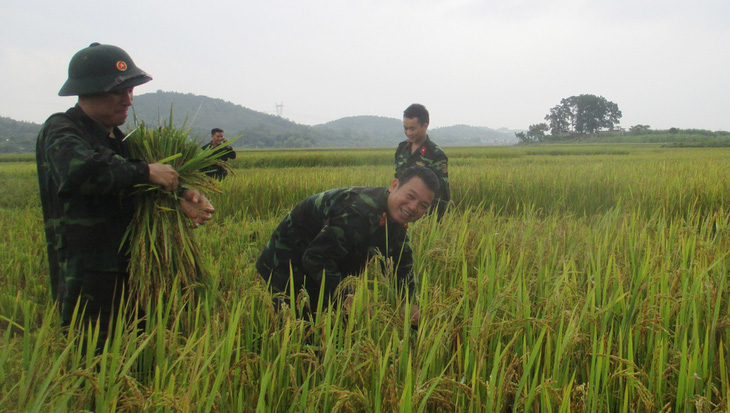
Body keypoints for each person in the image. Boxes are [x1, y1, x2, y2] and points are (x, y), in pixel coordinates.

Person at [36, 43, 214, 342]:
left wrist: (178, 195)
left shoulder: (123, 142)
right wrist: (145, 171)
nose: (128, 99)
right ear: (89, 90)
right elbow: (79, 170)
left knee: (138, 353)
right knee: (94, 359)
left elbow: (138, 182)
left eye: (130, 90)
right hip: (88, 278)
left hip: (134, 270)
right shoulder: (63, 129)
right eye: (118, 90)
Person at [256, 166, 439, 323]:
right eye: (410, 196)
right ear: (394, 186)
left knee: (337, 317)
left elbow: (399, 259)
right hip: (285, 259)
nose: (414, 207)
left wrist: (408, 302)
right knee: (302, 324)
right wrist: (351, 299)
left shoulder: (395, 215)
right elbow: (316, 258)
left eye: (423, 205)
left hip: (325, 254)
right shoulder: (360, 212)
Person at [395, 103, 451, 219]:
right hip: (401, 213)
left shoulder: (436, 154)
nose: (408, 133)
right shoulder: (402, 149)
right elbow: (397, 182)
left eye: (412, 129)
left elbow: (442, 195)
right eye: (405, 128)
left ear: (425, 126)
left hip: (422, 216)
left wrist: (433, 223)